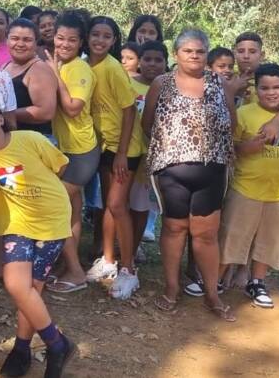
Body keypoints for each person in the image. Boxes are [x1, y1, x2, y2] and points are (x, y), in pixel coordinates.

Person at [0, 96, 77, 378]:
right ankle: (57, 343)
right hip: (16, 223)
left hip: (51, 219)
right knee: (16, 285)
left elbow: (59, 166)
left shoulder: (30, 138)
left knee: (32, 290)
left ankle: (21, 348)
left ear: (1, 118)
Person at [142, 28, 239, 322]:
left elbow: (231, 124)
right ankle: (171, 289)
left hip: (212, 170)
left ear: (206, 54)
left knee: (205, 235)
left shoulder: (220, 83)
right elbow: (147, 124)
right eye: (188, 51)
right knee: (173, 229)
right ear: (177, 54)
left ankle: (212, 293)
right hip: (172, 172)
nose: (194, 56)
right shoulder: (162, 83)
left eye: (200, 51)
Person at [217, 63, 279, 310]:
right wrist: (250, 146)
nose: (272, 93)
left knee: (271, 240)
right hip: (245, 189)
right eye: (265, 88)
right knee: (232, 236)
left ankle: (257, 281)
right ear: (256, 90)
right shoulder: (246, 114)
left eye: (277, 87)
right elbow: (232, 148)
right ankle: (216, 279)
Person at [83, 16, 139, 300]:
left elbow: (130, 110)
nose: (100, 40)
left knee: (118, 205)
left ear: (114, 41)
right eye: (95, 34)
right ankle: (107, 260)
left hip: (124, 148)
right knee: (107, 205)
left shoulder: (113, 68)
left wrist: (120, 153)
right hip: (102, 144)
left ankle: (129, 270)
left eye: (107, 36)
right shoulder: (84, 66)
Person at [46, 12, 96, 292]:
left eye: (71, 40)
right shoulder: (62, 63)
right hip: (65, 149)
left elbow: (73, 107)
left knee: (57, 207)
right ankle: (68, 265)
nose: (64, 43)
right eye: (60, 37)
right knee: (72, 211)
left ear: (81, 42)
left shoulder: (79, 68)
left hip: (81, 150)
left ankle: (76, 272)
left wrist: (54, 73)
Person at [127, 41, 168, 267]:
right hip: (129, 152)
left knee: (141, 206)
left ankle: (133, 249)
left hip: (155, 158)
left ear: (166, 62)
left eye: (158, 60)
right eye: (147, 59)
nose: (152, 64)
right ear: (139, 61)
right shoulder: (128, 84)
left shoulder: (171, 87)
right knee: (121, 204)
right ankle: (118, 250)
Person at [2, 19, 56, 137]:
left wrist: (5, 114)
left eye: (27, 40)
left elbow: (45, 112)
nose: (20, 44)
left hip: (36, 142)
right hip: (11, 140)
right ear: (7, 40)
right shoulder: (5, 66)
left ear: (36, 43)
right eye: (15, 38)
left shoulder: (40, 70)